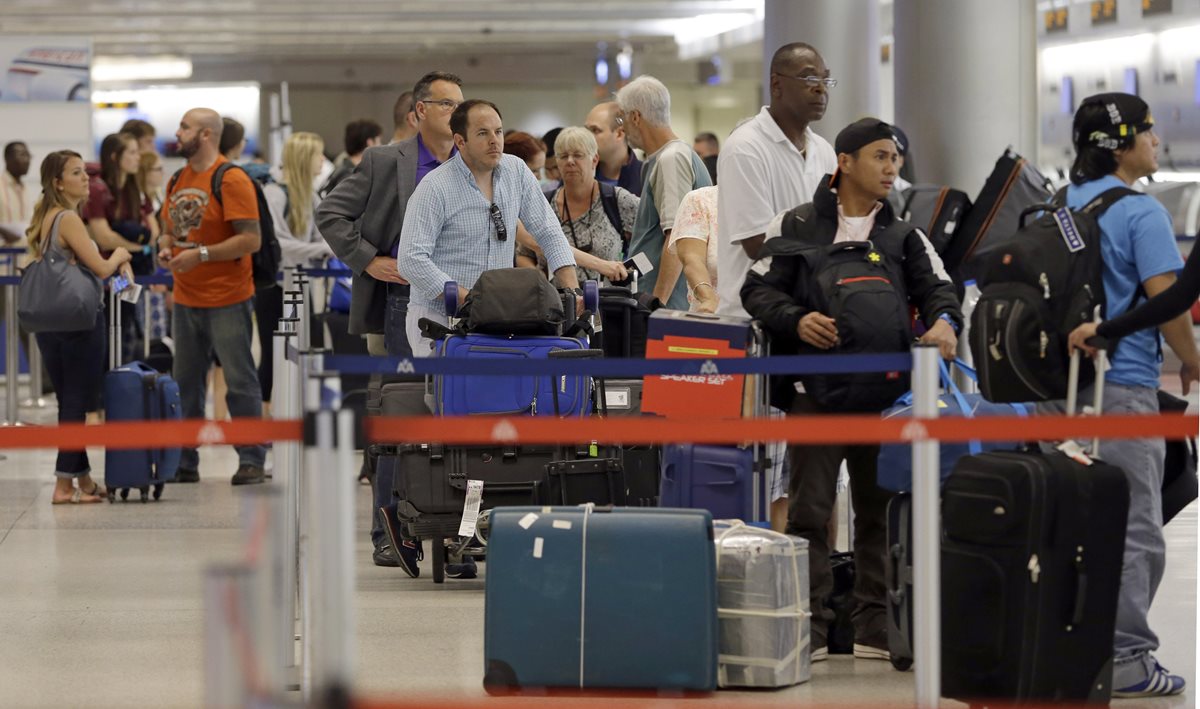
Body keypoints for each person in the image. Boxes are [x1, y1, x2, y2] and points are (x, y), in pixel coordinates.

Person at [741, 118, 961, 664]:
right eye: (881, 157)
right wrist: (796, 319)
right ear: (845, 162)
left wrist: (944, 324)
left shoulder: (904, 235)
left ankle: (874, 623)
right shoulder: (797, 224)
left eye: (897, 160)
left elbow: (940, 289)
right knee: (811, 510)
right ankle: (811, 622)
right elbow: (757, 289)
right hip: (816, 394)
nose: (892, 169)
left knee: (881, 510)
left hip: (888, 398)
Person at [1045, 93, 1199, 699]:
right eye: (1150, 132)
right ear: (1121, 144)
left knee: (1064, 519)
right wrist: (1189, 358)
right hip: (1121, 384)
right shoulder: (1141, 213)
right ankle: (1129, 659)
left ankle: (1063, 646)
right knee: (1134, 523)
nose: (1156, 142)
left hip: (1055, 391)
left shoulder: (1052, 207)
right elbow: (1171, 301)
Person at [316, 70, 463, 573]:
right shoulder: (385, 161)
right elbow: (331, 214)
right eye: (446, 105)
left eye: (460, 106)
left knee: (459, 416)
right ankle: (389, 531)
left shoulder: (475, 163)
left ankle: (456, 531)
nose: (456, 115)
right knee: (401, 415)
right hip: (404, 305)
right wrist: (369, 259)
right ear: (419, 111)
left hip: (466, 309)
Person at [398, 99, 582, 356]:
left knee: (500, 393)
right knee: (454, 395)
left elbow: (548, 231)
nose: (494, 140)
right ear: (460, 142)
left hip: (498, 318)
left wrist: (573, 292)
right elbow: (410, 260)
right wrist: (470, 300)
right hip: (439, 318)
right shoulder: (435, 187)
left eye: (498, 131)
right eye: (483, 133)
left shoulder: (516, 170)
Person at [158, 107, 268, 486]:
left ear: (205, 134)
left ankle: (252, 458)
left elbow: (250, 239)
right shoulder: (177, 178)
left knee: (239, 381)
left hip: (228, 297)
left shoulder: (231, 178)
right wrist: (165, 245)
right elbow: (167, 226)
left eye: (184, 126)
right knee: (185, 384)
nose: (178, 131)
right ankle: (184, 461)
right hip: (187, 297)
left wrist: (201, 254)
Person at [26, 150, 133, 503]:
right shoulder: (68, 218)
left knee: (68, 401)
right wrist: (119, 255)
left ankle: (83, 480)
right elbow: (102, 269)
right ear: (58, 183)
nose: (86, 177)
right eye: (76, 172)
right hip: (79, 321)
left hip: (50, 322)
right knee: (76, 403)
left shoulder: (46, 216)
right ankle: (62, 485)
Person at [717, 42, 837, 320]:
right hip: (754, 317)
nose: (821, 88)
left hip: (811, 314)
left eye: (825, 78)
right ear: (776, 84)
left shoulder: (824, 151)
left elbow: (836, 228)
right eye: (809, 78)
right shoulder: (745, 147)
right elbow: (758, 244)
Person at [615, 75, 712, 310]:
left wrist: (656, 306)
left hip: (671, 305)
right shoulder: (661, 159)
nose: (622, 127)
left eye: (622, 118)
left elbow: (676, 240)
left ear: (636, 117)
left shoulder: (672, 159)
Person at [261, 132, 333, 415]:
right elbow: (279, 244)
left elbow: (321, 236)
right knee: (271, 354)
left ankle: (298, 414)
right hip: (274, 286)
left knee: (305, 350)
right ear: (305, 159)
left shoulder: (310, 195)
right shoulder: (274, 193)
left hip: (301, 285)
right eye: (318, 154)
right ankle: (265, 421)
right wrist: (320, 251)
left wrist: (324, 248)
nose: (322, 161)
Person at [85, 132, 158, 365]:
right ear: (116, 157)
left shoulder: (133, 189)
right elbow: (103, 237)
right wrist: (135, 247)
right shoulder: (97, 189)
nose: (139, 157)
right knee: (104, 336)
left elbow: (153, 231)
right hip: (102, 276)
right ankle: (102, 395)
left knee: (126, 333)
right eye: (133, 152)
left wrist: (130, 248)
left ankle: (121, 391)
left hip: (126, 273)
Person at [544, 127, 635, 284]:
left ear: (594, 160)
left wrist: (633, 272)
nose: (570, 161)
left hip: (610, 302)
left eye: (578, 155)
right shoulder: (545, 204)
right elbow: (525, 252)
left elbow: (653, 236)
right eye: (563, 156)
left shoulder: (617, 198)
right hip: (556, 302)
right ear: (557, 162)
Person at [668, 186, 718, 312]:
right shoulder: (700, 200)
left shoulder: (772, 204)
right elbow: (692, 258)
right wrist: (708, 299)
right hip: (712, 319)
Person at [584, 101, 643, 196]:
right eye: (586, 130)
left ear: (619, 134)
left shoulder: (646, 178)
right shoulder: (577, 175)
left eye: (595, 130)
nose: (586, 137)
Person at [321, 119, 383, 197]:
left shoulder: (343, 171)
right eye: (379, 142)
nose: (381, 146)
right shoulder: (350, 177)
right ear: (370, 142)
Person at [1, 141, 32, 243]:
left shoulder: (25, 188)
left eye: (28, 155)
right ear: (7, 158)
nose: (27, 160)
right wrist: (3, 231)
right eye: (22, 155)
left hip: (22, 254)